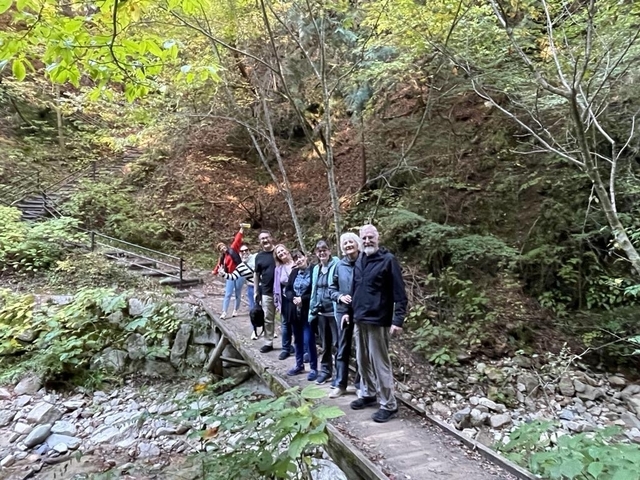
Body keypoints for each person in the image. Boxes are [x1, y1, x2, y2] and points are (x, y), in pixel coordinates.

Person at [350, 224, 407, 423]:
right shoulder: (360, 260)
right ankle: (368, 393)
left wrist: (397, 320)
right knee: (362, 360)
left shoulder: (388, 260)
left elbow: (400, 293)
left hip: (378, 320)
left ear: (378, 237)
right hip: (359, 319)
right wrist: (349, 313)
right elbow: (355, 289)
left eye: (370, 237)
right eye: (364, 238)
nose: (367, 241)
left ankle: (388, 405)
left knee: (379, 363)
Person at [328, 232, 363, 398]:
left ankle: (360, 385)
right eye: (345, 243)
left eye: (351, 242)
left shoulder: (364, 262)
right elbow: (331, 289)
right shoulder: (339, 266)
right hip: (343, 312)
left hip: (362, 312)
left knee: (361, 350)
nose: (348, 245)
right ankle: (340, 384)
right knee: (342, 347)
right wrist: (340, 297)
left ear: (357, 244)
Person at [308, 240, 340, 385]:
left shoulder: (337, 265)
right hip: (321, 313)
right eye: (319, 251)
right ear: (316, 253)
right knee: (325, 345)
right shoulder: (316, 269)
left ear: (329, 251)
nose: (322, 253)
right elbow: (314, 289)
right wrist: (312, 308)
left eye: (324, 250)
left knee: (338, 344)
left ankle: (340, 375)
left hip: (334, 312)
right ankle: (326, 371)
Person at [283, 249, 317, 377]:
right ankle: (299, 365)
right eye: (296, 258)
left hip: (307, 310)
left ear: (305, 256)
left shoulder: (314, 270)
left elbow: (315, 290)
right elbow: (288, 289)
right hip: (294, 311)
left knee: (309, 340)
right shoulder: (294, 272)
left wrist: (303, 299)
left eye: (300, 257)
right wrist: (293, 298)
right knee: (297, 340)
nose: (299, 260)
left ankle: (313, 368)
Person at [218, 244, 259, 338]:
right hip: (251, 288)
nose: (244, 252)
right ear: (239, 254)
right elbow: (233, 276)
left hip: (262, 287)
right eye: (242, 251)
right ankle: (254, 331)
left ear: (249, 250)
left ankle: (270, 330)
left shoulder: (256, 257)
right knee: (253, 310)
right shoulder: (240, 266)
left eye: (246, 250)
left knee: (266, 308)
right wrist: (223, 274)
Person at [213, 226, 244, 320]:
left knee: (238, 293)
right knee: (228, 293)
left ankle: (235, 310)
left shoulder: (233, 249)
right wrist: (214, 272)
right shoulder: (223, 257)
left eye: (223, 246)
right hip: (230, 275)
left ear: (225, 246)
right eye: (221, 248)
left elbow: (237, 240)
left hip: (239, 274)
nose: (223, 248)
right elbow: (219, 265)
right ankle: (224, 312)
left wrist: (241, 230)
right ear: (220, 251)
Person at [253, 231, 277, 353]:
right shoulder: (259, 256)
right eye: (262, 238)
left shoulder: (278, 252)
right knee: (268, 318)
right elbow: (256, 274)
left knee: (286, 318)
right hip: (267, 291)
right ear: (260, 241)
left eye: (266, 237)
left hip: (282, 291)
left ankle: (287, 343)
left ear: (271, 238)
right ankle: (268, 342)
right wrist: (256, 291)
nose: (265, 240)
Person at [273, 244, 296, 360]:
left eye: (282, 250)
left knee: (298, 324)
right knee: (285, 325)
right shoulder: (278, 269)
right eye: (278, 253)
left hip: (297, 299)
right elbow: (276, 287)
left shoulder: (296, 263)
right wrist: (277, 302)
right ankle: (285, 348)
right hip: (285, 299)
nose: (281, 253)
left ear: (287, 250)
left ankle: (300, 348)